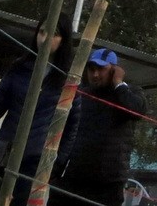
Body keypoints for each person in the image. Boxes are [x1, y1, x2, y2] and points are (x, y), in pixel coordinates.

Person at [0, 17, 74, 206]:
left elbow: (71, 129)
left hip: (33, 165)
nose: (45, 38)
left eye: (54, 34)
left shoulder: (68, 82)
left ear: (64, 40)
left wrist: (55, 165)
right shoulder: (19, 68)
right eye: (42, 31)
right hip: (2, 157)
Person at [52, 49, 149, 206]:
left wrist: (119, 84)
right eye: (91, 69)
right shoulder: (81, 94)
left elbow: (137, 111)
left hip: (108, 181)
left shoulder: (127, 92)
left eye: (101, 69)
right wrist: (56, 169)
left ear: (114, 70)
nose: (95, 75)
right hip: (74, 176)